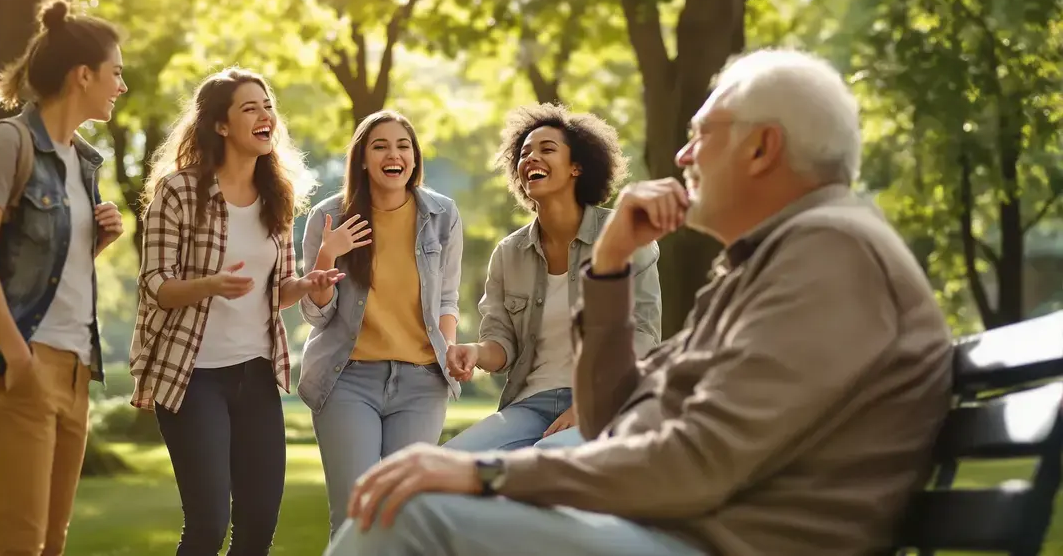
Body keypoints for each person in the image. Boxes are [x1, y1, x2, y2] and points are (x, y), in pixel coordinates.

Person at [322, 48, 955, 556]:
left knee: (408, 517)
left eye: (702, 135)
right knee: (408, 504)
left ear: (762, 148)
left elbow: (698, 463)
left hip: (716, 539)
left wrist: (490, 475)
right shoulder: (768, 262)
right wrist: (611, 265)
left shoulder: (830, 253)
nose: (682, 156)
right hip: (675, 525)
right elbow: (613, 413)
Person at [130, 68, 341, 556]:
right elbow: (155, 285)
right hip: (192, 376)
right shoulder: (179, 192)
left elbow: (276, 291)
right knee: (208, 525)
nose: (266, 115)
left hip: (257, 375)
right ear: (221, 125)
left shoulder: (277, 197)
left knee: (258, 527)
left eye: (268, 106)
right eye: (250, 108)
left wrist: (307, 283)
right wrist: (209, 286)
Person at [0, 0, 127, 556]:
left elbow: (37, 268)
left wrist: (94, 244)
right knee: (13, 545)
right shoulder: (8, 143)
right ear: (83, 75)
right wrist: (18, 359)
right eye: (116, 72)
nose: (122, 86)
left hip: (73, 369)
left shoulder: (82, 162)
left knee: (49, 545)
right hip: (10, 364)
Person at [443, 104, 660, 452]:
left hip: (610, 400)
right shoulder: (509, 253)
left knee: (546, 457)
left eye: (547, 149)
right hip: (531, 402)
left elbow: (643, 336)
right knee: (446, 462)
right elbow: (502, 344)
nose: (531, 158)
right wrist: (475, 351)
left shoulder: (623, 234)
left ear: (577, 167)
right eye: (524, 153)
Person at [298, 110, 464, 539]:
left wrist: (450, 351)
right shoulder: (329, 216)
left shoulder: (442, 214)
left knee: (402, 515)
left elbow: (447, 298)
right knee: (354, 516)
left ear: (414, 157)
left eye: (403, 146)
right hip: (348, 380)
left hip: (422, 384)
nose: (394, 155)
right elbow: (316, 314)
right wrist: (327, 256)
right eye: (380, 146)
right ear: (362, 159)